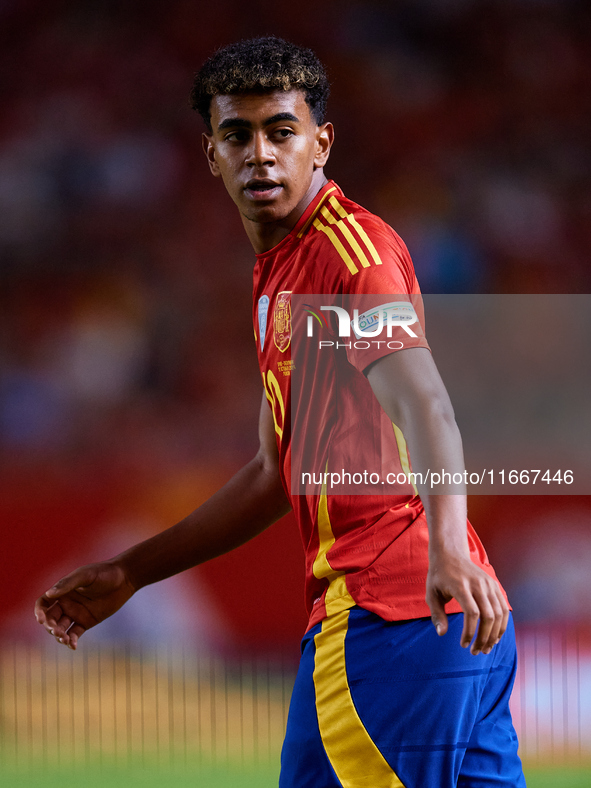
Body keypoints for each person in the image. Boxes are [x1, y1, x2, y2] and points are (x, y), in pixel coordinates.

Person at [35, 37, 525, 787]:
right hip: (442, 627)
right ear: (211, 154)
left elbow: (426, 399)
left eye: (280, 132)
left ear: (320, 142)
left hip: (391, 618)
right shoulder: (278, 276)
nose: (259, 153)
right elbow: (275, 473)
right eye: (238, 134)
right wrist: (133, 572)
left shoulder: (345, 256)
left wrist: (449, 549)